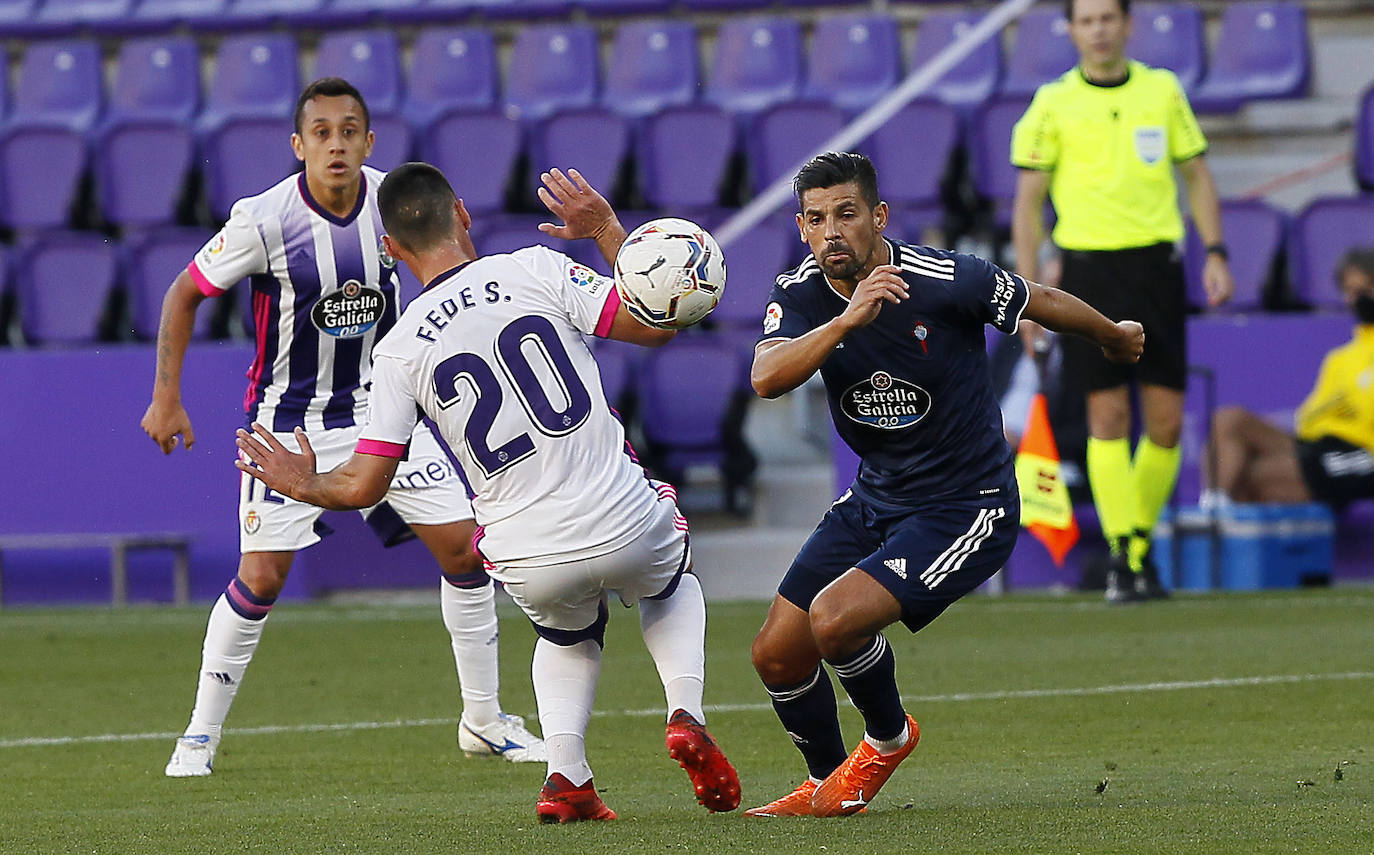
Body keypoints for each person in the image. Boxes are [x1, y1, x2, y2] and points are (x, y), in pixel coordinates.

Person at [232, 163, 741, 823]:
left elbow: (364, 485)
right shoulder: (535, 267)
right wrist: (608, 230)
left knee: (565, 634)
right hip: (621, 515)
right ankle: (686, 713)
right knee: (672, 578)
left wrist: (306, 482)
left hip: (524, 552)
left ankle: (567, 775)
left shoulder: (398, 350)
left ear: (390, 249)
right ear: (463, 214)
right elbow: (655, 323)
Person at [140, 78, 543, 777]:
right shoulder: (263, 219)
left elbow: (453, 276)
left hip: (383, 409)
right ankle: (199, 734)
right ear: (298, 145)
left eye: (348, 130)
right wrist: (166, 396)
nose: (336, 144)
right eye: (321, 132)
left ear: (368, 142)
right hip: (288, 422)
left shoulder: (395, 207)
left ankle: (483, 719)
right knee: (261, 577)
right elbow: (183, 292)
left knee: (464, 552)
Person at [743, 151, 1143, 818]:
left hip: (966, 505)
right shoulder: (800, 291)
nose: (832, 231)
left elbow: (1036, 299)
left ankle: (887, 737)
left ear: (878, 216)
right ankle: (828, 785)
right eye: (817, 220)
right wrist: (846, 321)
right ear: (802, 227)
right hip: (877, 495)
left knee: (834, 620)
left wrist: (1112, 335)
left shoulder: (943, 276)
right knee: (776, 654)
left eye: (846, 213)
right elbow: (766, 377)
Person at [1010, 0, 1235, 602]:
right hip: (1088, 272)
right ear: (1072, 30)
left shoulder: (1162, 91)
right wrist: (1027, 292)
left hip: (1157, 268)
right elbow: (1027, 206)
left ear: (1128, 24)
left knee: (1163, 422)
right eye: (1087, 20)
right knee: (1107, 417)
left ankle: (1132, 551)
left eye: (1108, 17)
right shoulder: (1052, 103)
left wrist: (1215, 250)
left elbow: (1198, 176)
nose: (1099, 29)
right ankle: (1125, 556)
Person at [1206, 250, 1374, 507]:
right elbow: (1310, 419)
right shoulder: (1340, 358)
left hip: (1364, 453)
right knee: (1228, 421)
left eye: (1366, 288)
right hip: (1317, 446)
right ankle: (1211, 509)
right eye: (1351, 291)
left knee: (1255, 477)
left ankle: (1215, 532)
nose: (1358, 298)